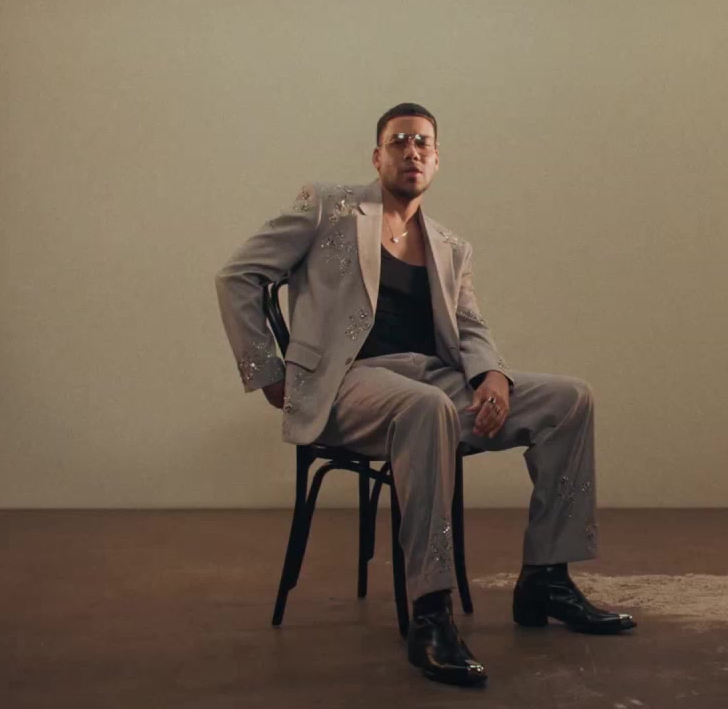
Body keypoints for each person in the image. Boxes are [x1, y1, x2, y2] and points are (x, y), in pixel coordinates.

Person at [215, 102, 635, 687]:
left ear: (437, 160)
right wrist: (267, 370)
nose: (412, 151)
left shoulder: (449, 245)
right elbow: (237, 275)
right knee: (427, 408)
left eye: (423, 143)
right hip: (347, 385)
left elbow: (470, 326)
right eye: (399, 141)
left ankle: (546, 578)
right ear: (377, 156)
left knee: (569, 400)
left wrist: (492, 376)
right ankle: (430, 613)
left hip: (431, 380)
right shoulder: (328, 206)